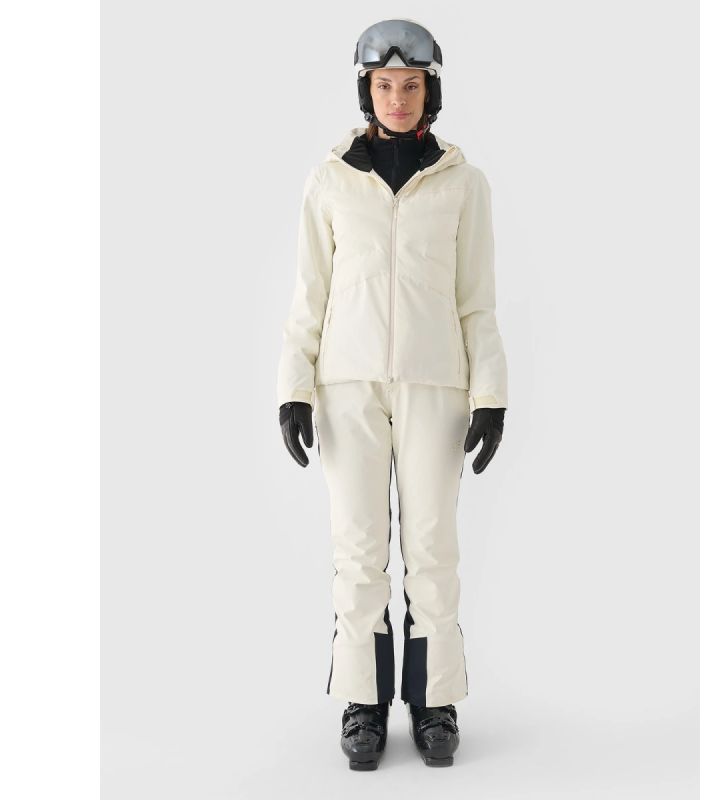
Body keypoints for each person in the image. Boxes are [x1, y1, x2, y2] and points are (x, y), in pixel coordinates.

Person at [276, 18, 509, 770]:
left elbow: (477, 301)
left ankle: (434, 700)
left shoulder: (464, 185)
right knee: (359, 549)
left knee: (432, 546)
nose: (398, 98)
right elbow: (309, 296)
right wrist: (295, 387)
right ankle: (364, 702)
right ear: (367, 90)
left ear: (430, 91)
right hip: (346, 386)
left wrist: (491, 394)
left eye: (411, 85)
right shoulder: (330, 181)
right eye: (385, 85)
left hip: (436, 384)